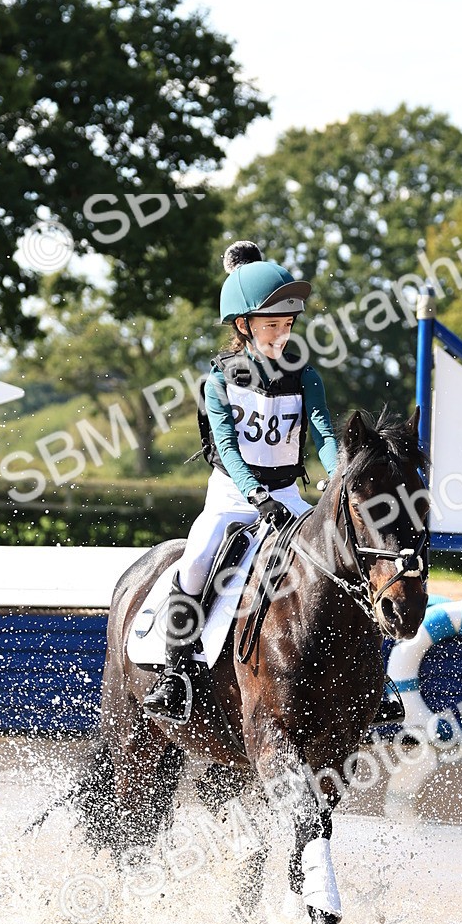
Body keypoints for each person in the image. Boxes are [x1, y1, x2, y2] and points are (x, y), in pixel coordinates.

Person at [143, 240, 339, 723]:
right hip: (233, 497)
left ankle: (367, 679)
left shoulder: (305, 377)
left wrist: (340, 476)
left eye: (287, 325)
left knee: (342, 562)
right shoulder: (219, 382)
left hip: (289, 498)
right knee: (195, 561)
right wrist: (255, 495)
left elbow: (324, 434)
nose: (281, 334)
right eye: (271, 325)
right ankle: (176, 673)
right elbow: (228, 449)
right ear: (243, 325)